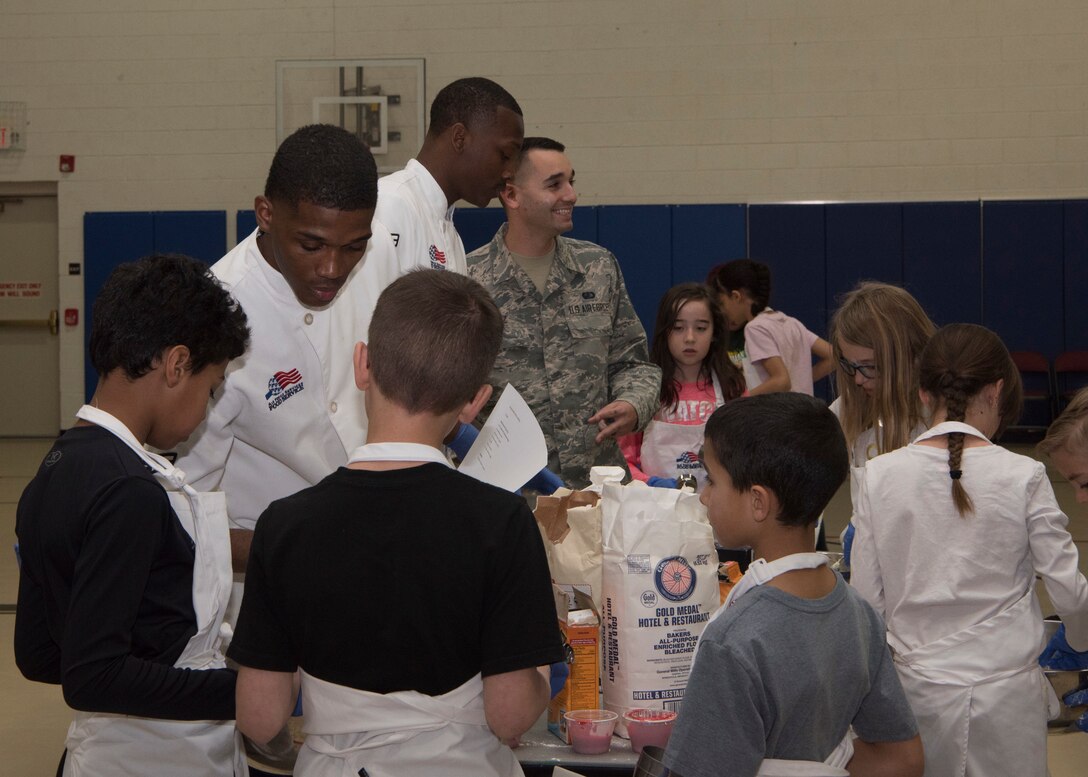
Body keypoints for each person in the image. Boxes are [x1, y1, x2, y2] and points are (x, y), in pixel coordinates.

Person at [228, 269, 566, 777]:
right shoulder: (501, 522)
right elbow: (509, 714)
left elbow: (259, 717)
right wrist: (538, 666)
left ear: (362, 364)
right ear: (474, 402)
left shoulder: (285, 525)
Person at [14, 254, 250, 776]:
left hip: (102, 752)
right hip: (151, 758)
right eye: (209, 392)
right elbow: (92, 677)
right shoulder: (131, 490)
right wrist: (245, 692)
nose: (205, 413)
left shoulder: (53, 471)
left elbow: (38, 655)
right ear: (176, 364)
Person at [851, 323, 1088, 777]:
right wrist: (1080, 639)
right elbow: (1071, 595)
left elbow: (866, 606)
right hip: (1008, 701)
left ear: (922, 394)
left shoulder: (877, 476)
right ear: (998, 390)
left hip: (916, 695)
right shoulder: (1025, 476)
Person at [663, 393, 922, 777]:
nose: (703, 496)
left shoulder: (736, 641)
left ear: (758, 503)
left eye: (712, 480)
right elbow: (902, 759)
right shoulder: (859, 615)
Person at [174, 123, 393, 571]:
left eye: (353, 247)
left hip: (369, 550)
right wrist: (294, 549)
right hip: (267, 577)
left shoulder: (375, 268)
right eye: (310, 245)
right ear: (266, 214)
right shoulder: (215, 315)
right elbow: (182, 512)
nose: (332, 268)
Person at [466, 136, 661, 489]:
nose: (571, 195)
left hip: (595, 489)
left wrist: (634, 404)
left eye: (571, 181)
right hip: (508, 495)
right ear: (511, 195)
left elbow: (634, 365)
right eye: (555, 184)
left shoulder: (597, 267)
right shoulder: (469, 281)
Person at [827, 281, 936, 571]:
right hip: (869, 569)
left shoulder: (939, 416)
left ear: (910, 358)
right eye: (850, 367)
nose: (858, 379)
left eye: (870, 367)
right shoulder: (846, 410)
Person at [371, 76, 524, 276]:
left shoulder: (449, 233)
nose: (510, 172)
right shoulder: (390, 204)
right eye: (505, 155)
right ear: (459, 138)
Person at [619, 282, 745, 490]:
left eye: (701, 328)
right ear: (664, 331)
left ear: (714, 333)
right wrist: (649, 482)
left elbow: (748, 457)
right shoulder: (644, 391)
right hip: (656, 508)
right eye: (678, 328)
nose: (689, 338)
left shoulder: (733, 389)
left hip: (718, 514)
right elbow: (622, 462)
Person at [706, 259, 834, 396]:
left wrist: (740, 401)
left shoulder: (754, 328)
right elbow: (833, 356)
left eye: (721, 303)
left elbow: (782, 381)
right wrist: (802, 381)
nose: (722, 311)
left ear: (736, 296)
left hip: (778, 415)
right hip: (804, 412)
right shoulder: (791, 323)